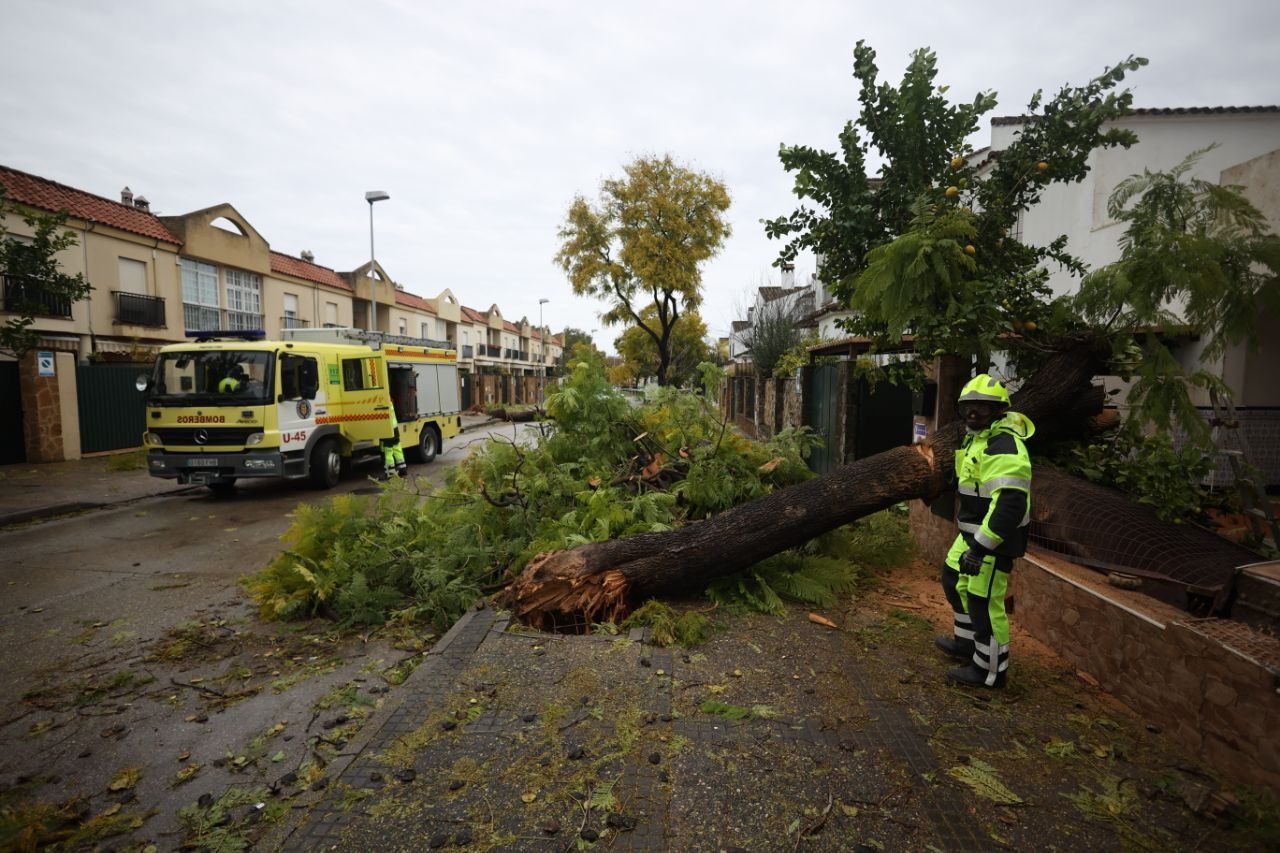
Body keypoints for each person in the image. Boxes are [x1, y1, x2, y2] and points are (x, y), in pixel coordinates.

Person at [936, 373, 1034, 689]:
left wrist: (980, 549)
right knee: (953, 578)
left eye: (983, 407)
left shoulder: (1005, 445)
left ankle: (990, 672)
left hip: (992, 540)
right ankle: (966, 644)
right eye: (968, 407)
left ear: (999, 411)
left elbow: (1009, 505)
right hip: (970, 532)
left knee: (984, 602)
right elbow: (969, 481)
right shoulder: (975, 439)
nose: (974, 413)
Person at [382, 409, 408, 479]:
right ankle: (403, 469)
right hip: (395, 428)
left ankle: (390, 472)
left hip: (388, 428)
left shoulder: (384, 403)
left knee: (388, 450)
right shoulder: (389, 403)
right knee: (397, 448)